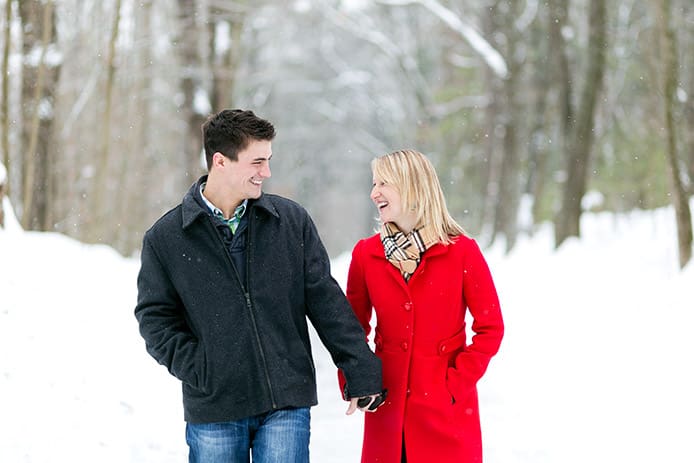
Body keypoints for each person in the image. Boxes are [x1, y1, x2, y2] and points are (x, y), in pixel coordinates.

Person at [134, 109, 385, 463]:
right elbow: (155, 319)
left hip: (285, 398)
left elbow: (325, 299)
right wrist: (201, 368)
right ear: (220, 162)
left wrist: (359, 366)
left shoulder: (289, 222)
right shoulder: (168, 238)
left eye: (268, 160)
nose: (266, 172)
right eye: (257, 162)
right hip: (215, 405)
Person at [344, 149, 504, 462]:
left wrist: (453, 385)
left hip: (446, 417)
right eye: (373, 183)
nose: (373, 193)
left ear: (412, 186)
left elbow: (491, 328)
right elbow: (351, 330)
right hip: (386, 414)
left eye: (383, 184)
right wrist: (358, 380)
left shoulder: (462, 253)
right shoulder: (366, 255)